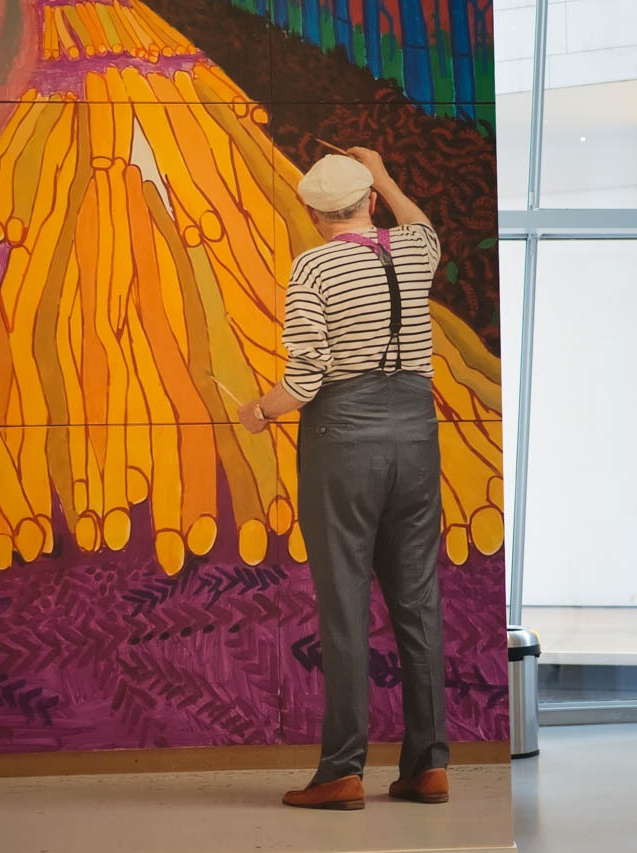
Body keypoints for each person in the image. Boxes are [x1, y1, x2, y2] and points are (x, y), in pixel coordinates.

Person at [239, 148, 449, 810]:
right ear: (372, 201)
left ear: (312, 213)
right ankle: (429, 765)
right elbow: (424, 228)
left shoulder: (314, 266)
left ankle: (342, 771)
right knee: (418, 602)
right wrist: (384, 172)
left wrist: (259, 411)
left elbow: (305, 378)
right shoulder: (413, 251)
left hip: (344, 441)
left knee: (345, 605)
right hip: (416, 438)